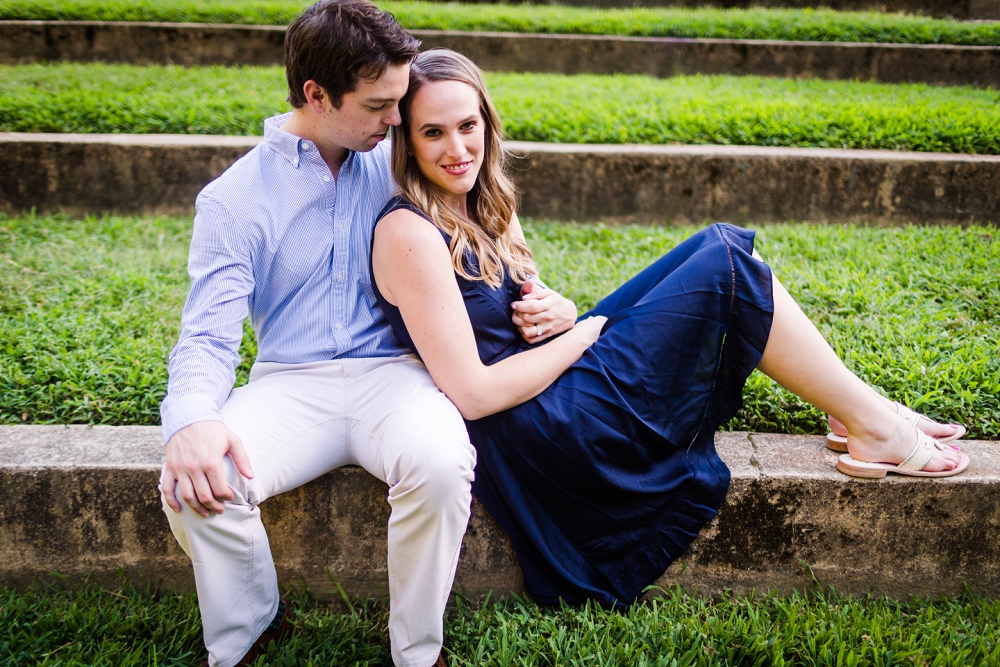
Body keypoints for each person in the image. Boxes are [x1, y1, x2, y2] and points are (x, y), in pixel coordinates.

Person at [369, 49, 970, 608]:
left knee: (723, 246)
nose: (457, 148)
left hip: (553, 382)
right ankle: (871, 424)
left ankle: (856, 410)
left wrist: (561, 310)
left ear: (487, 123)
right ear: (408, 143)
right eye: (433, 132)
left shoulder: (483, 199)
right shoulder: (408, 232)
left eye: (467, 126)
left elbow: (530, 306)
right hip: (542, 429)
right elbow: (471, 393)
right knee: (726, 269)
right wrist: (583, 332)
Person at [158, 4, 472, 666]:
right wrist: (189, 419)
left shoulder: (397, 157)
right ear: (316, 94)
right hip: (290, 384)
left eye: (399, 102)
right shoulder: (234, 199)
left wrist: (546, 297)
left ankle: (417, 650)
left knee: (441, 462)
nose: (396, 118)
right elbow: (208, 336)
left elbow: (488, 208)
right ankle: (249, 626)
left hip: (396, 375)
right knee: (195, 483)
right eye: (379, 104)